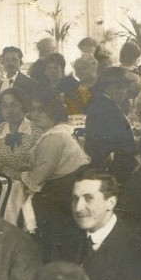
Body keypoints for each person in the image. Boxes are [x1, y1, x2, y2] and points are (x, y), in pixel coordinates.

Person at [56, 170, 141, 280]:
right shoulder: (66, 238)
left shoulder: (135, 246)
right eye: (75, 199)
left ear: (110, 203)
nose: (78, 208)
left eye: (88, 199)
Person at [20, 96, 90, 258]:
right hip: (67, 195)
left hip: (60, 201)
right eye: (33, 110)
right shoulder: (61, 130)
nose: (34, 114)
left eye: (41, 110)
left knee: (18, 205)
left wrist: (13, 173)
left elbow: (35, 179)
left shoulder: (55, 136)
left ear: (53, 112)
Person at [84, 67, 138, 184]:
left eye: (125, 87)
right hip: (115, 171)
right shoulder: (107, 109)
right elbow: (124, 147)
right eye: (118, 87)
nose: (123, 91)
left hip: (108, 164)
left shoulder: (102, 103)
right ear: (105, 87)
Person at [0, 88, 39, 179]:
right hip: (3, 186)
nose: (9, 111)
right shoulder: (1, 128)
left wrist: (16, 173)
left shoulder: (35, 130)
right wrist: (3, 167)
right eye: (4, 106)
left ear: (24, 106)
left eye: (14, 105)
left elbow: (41, 168)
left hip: (28, 187)